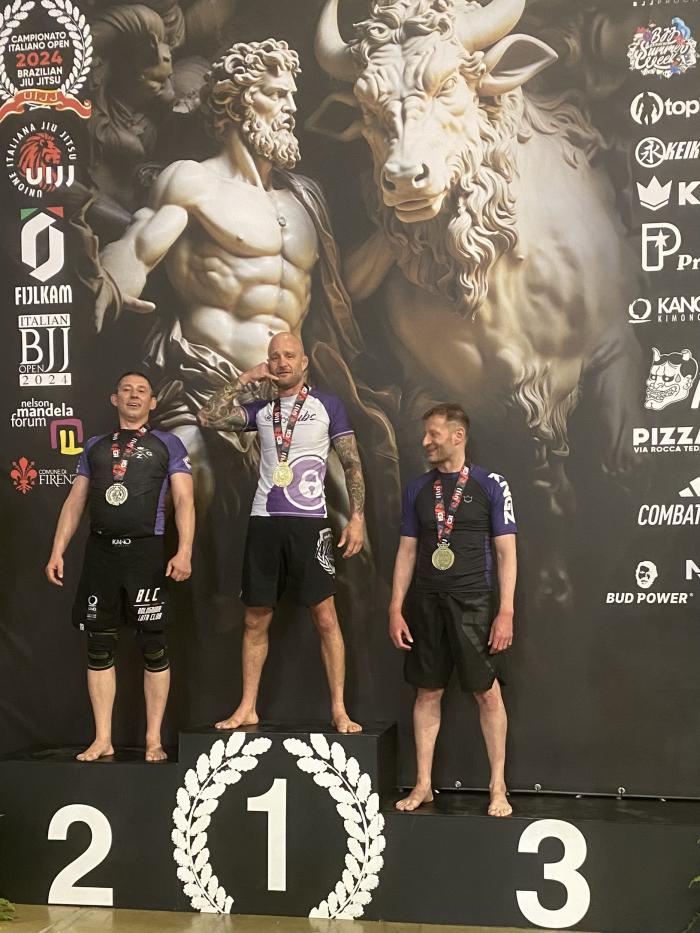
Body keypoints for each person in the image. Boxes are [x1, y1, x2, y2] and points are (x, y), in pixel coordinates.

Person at [197, 332, 364, 733]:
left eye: (289, 355)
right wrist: (243, 379)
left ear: (304, 362)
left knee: (326, 617)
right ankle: (247, 708)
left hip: (310, 522)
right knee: (255, 618)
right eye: (274, 356)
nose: (282, 362)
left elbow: (352, 463)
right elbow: (208, 417)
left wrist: (358, 516)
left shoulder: (328, 405)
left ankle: (339, 709)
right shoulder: (261, 410)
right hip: (265, 521)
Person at [45, 372, 195, 762]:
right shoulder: (95, 446)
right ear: (114, 399)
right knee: (98, 646)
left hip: (146, 555)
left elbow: (184, 500)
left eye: (141, 391)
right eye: (126, 390)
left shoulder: (168, 443)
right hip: (101, 556)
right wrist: (57, 550)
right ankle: (103, 740)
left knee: (153, 645)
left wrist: (184, 551)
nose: (133, 395)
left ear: (153, 402)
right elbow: (75, 501)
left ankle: (153, 739)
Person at [389, 404, 516, 816]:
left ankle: (498, 787)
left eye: (434, 434)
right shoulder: (417, 489)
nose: (425, 441)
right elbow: (407, 551)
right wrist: (395, 607)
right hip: (426, 601)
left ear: (458, 436)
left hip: (474, 600)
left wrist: (506, 612)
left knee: (487, 692)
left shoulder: (491, 485)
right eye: (425, 434)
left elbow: (506, 552)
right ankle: (423, 784)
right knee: (427, 690)